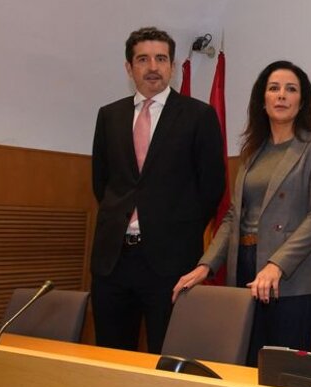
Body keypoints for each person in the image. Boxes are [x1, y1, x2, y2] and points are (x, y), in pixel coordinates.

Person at [174, 61, 311, 363]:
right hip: (245, 271)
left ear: (302, 102)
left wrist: (277, 265)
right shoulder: (252, 152)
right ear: (262, 100)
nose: (281, 95)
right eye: (273, 88)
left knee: (284, 373)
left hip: (292, 279)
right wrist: (206, 265)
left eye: (291, 89)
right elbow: (233, 217)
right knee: (246, 367)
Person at [91, 27, 226, 353]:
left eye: (161, 58)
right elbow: (102, 182)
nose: (153, 66)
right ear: (129, 67)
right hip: (114, 261)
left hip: (171, 263)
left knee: (166, 360)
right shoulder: (109, 116)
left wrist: (177, 230)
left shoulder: (198, 116)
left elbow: (212, 187)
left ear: (172, 65)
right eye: (143, 59)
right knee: (110, 358)